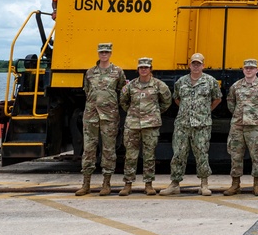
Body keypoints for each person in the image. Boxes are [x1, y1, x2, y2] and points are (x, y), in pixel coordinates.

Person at [160, 53, 222, 196]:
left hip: (201, 124)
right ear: (189, 65)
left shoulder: (210, 81)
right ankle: (175, 184)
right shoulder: (181, 82)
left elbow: (217, 99)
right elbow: (176, 98)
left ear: (203, 66)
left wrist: (206, 111)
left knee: (202, 153)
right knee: (178, 154)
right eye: (193, 63)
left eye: (198, 64)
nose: (196, 66)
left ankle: (204, 184)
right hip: (183, 124)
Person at [76, 42, 127, 196]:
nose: (104, 54)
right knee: (89, 149)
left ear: (110, 53)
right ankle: (86, 184)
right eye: (101, 52)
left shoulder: (118, 72)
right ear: (98, 54)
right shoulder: (90, 73)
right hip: (91, 116)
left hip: (109, 116)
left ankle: (106, 183)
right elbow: (87, 91)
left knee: (108, 149)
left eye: (106, 52)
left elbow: (121, 91)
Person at [118, 57, 172, 196]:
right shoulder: (130, 86)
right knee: (130, 156)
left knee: (149, 156)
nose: (143, 70)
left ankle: (148, 184)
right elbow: (123, 101)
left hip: (151, 125)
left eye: (146, 67)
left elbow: (166, 101)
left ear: (150, 69)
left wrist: (155, 112)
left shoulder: (158, 85)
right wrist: (132, 113)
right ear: (138, 69)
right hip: (133, 124)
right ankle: (128, 184)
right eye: (141, 67)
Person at [223, 58, 258, 196]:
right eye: (247, 68)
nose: (249, 70)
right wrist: (239, 115)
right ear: (243, 69)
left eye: (252, 68)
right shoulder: (236, 86)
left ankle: (257, 185)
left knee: (257, 156)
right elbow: (230, 103)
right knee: (235, 156)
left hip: (255, 127)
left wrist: (257, 117)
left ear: (257, 70)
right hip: (237, 126)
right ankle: (235, 185)